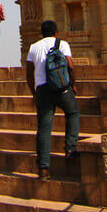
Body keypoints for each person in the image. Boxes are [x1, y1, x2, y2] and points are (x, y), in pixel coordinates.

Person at [25, 20, 79, 179]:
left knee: (44, 127)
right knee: (73, 113)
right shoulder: (62, 44)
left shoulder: (34, 47)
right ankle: (70, 148)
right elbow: (70, 65)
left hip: (42, 90)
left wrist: (34, 93)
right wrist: (73, 85)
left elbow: (29, 73)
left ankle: (43, 168)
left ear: (41, 33)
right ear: (56, 32)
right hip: (62, 88)